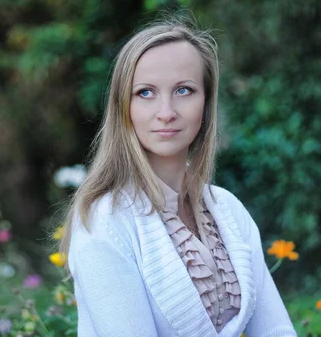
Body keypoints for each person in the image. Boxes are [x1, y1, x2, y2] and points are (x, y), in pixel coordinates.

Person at [59, 18, 297, 337]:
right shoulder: (105, 221)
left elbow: (276, 330)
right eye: (145, 93)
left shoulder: (228, 209)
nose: (167, 111)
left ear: (206, 102)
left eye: (184, 90)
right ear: (122, 107)